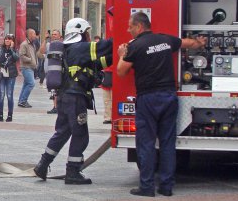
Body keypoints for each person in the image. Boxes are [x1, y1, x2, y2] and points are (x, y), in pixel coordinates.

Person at [117, 12, 206, 197]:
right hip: (169, 97)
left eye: (130, 26)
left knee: (146, 143)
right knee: (167, 143)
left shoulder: (135, 46)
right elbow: (187, 43)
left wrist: (121, 54)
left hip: (148, 99)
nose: (128, 29)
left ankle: (147, 187)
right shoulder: (165, 40)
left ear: (139, 27)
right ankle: (166, 187)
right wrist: (199, 43)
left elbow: (121, 72)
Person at [33, 18, 112, 185]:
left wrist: (117, 56)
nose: (89, 36)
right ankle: (73, 171)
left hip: (63, 97)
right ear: (81, 32)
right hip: (75, 98)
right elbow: (104, 47)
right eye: (87, 32)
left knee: (62, 132)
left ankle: (43, 164)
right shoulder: (81, 47)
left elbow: (99, 62)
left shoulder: (69, 48)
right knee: (80, 134)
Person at [18, 28, 42, 108]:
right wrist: (31, 60)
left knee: (26, 84)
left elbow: (35, 54)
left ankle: (21, 101)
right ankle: (23, 101)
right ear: (30, 35)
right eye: (34, 34)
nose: (35, 36)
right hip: (26, 67)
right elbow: (21, 56)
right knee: (31, 83)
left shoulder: (32, 44)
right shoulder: (24, 44)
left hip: (31, 67)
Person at [40, 30, 63, 114]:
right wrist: (45, 39)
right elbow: (41, 51)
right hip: (49, 70)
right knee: (53, 91)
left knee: (57, 89)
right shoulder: (48, 44)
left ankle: (57, 107)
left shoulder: (62, 45)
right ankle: (55, 106)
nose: (54, 36)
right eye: (52, 34)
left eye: (55, 34)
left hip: (57, 71)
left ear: (60, 36)